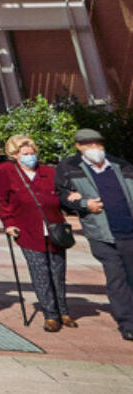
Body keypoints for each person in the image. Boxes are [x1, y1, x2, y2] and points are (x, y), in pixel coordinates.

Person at [56, 128, 133, 341]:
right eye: (89, 145)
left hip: (129, 229)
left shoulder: (120, 165)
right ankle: (128, 323)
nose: (95, 149)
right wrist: (83, 203)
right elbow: (62, 194)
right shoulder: (69, 167)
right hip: (102, 233)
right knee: (116, 277)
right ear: (79, 147)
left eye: (98, 144)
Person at [0, 133, 72, 332]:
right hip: (28, 229)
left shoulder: (48, 172)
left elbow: (62, 194)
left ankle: (63, 310)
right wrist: (8, 222)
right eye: (24, 153)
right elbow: (0, 199)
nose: (29, 156)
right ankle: (50, 314)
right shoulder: (6, 171)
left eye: (32, 152)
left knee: (58, 272)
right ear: (15, 155)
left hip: (55, 229)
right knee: (40, 273)